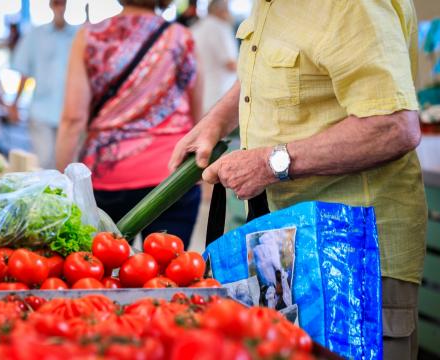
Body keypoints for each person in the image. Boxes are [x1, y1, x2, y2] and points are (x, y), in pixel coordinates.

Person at [169, 1, 426, 358]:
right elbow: (260, 72)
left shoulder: (353, 6)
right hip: (285, 244)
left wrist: (269, 163)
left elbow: (393, 126)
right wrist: (213, 124)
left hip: (354, 256)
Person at [55, 0, 203, 247]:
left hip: (107, 176)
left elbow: (73, 119)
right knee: (167, 275)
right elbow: (197, 113)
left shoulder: (90, 36)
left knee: (103, 272)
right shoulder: (181, 37)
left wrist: (62, 183)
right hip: (171, 176)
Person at [11, 0, 77, 169]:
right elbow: (24, 74)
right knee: (45, 162)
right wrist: (15, 104)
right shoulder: (35, 35)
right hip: (42, 112)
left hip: (71, 112)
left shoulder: (78, 34)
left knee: (71, 165)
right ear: (50, 4)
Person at [192, 0, 238, 114]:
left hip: (201, 96)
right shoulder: (218, 27)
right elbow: (231, 64)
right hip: (218, 95)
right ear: (221, 10)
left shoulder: (197, 27)